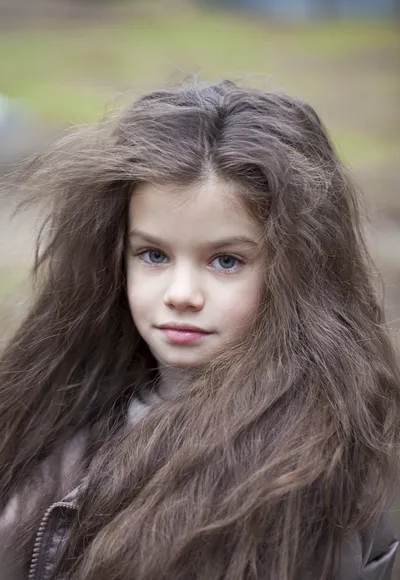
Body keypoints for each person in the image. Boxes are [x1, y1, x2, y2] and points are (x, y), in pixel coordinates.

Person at [0, 81, 399, 580]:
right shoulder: (58, 403)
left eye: (226, 260)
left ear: (298, 271)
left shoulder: (306, 472)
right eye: (153, 255)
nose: (181, 292)